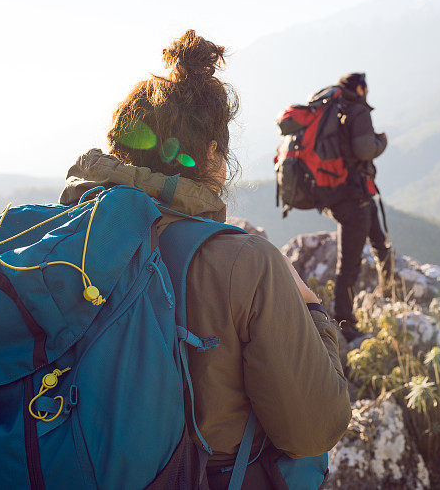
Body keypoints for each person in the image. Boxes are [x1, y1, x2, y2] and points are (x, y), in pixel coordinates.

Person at [59, 30, 351, 488]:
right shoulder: (245, 262)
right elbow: (315, 429)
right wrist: (313, 312)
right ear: (213, 154)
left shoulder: (57, 241)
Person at [322, 73, 392, 342]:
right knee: (348, 266)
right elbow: (364, 149)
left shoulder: (337, 110)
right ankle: (345, 324)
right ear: (360, 88)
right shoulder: (358, 110)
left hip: (348, 194)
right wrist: (381, 141)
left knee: (379, 241)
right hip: (354, 198)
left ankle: (390, 290)